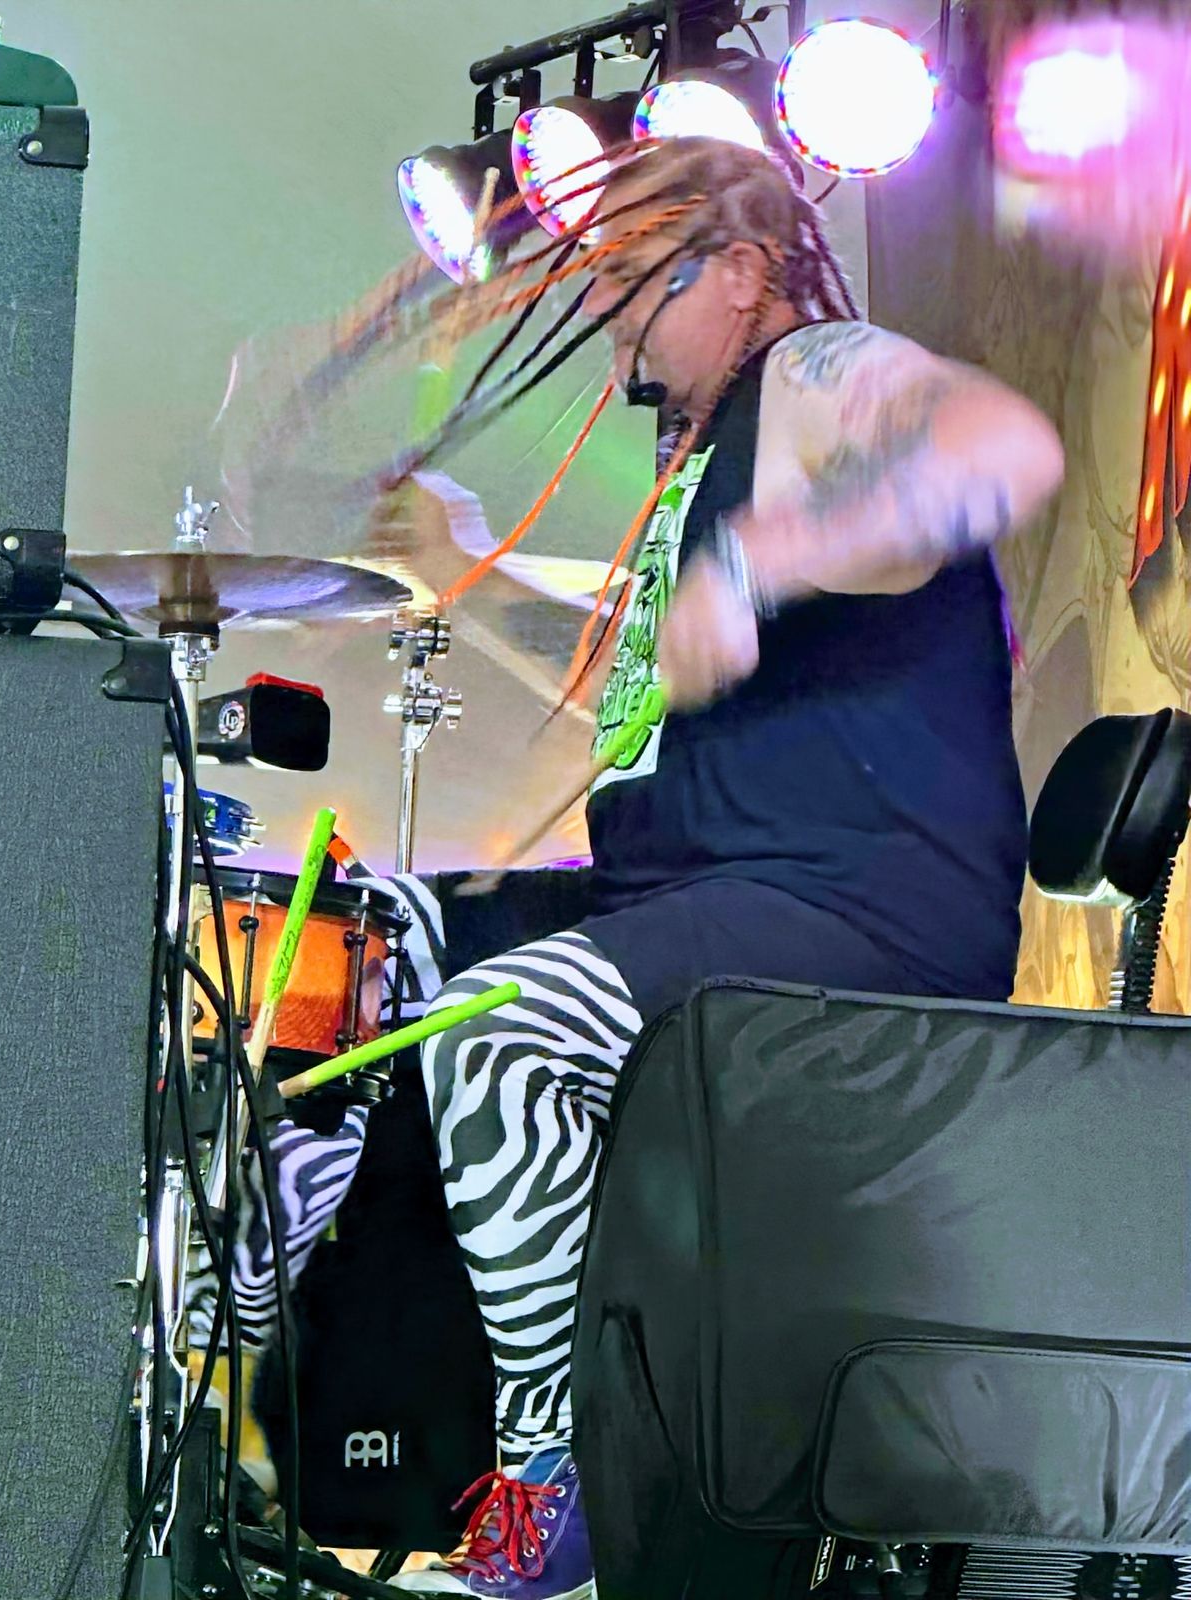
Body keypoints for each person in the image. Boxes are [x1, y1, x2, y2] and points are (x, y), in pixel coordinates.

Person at [222, 135, 1064, 1600]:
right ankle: (234, 1357)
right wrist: (474, 574)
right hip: (694, 898)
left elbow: (1002, 450)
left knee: (497, 1035)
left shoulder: (820, 370)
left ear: (739, 271)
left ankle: (558, 1476)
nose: (608, 317)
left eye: (632, 282)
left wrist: (761, 565)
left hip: (853, 911)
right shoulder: (706, 461)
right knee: (358, 937)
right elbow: (645, 686)